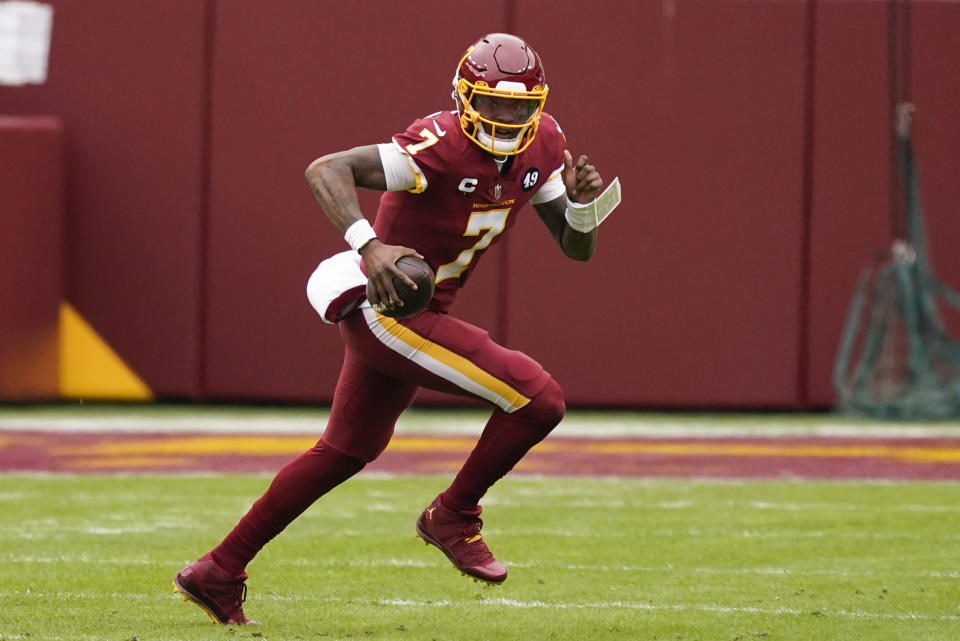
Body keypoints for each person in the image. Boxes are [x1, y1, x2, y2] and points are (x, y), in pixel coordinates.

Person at [173, 32, 613, 625]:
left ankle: (217, 572)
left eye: (519, 107)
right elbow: (326, 169)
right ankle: (453, 515)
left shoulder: (546, 143)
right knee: (538, 398)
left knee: (345, 450)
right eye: (493, 104)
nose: (507, 118)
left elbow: (574, 247)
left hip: (422, 309)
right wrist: (371, 246)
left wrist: (583, 210)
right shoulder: (437, 146)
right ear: (464, 97)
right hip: (392, 310)